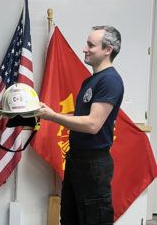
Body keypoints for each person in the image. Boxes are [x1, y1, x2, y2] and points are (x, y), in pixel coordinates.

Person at [37, 26, 124, 225]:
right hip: (77, 161)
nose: (84, 49)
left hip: (93, 165)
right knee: (70, 218)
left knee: (94, 219)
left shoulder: (110, 80)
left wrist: (51, 116)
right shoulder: (90, 81)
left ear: (107, 50)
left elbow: (93, 124)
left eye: (91, 45)